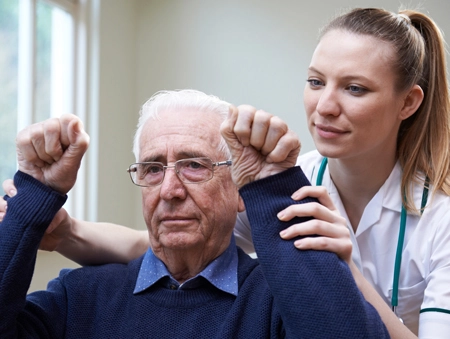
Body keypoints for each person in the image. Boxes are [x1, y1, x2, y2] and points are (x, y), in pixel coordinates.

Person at [1, 6, 449, 338]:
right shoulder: (77, 298)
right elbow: (160, 242)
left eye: (355, 88)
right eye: (315, 81)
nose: (325, 106)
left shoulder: (275, 194)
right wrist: (40, 216)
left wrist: (340, 269)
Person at [0, 90, 389, 338]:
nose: (169, 191)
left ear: (240, 189)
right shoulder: (77, 298)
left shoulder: (278, 302)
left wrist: (272, 188)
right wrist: (34, 194)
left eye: (194, 166)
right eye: (153, 169)